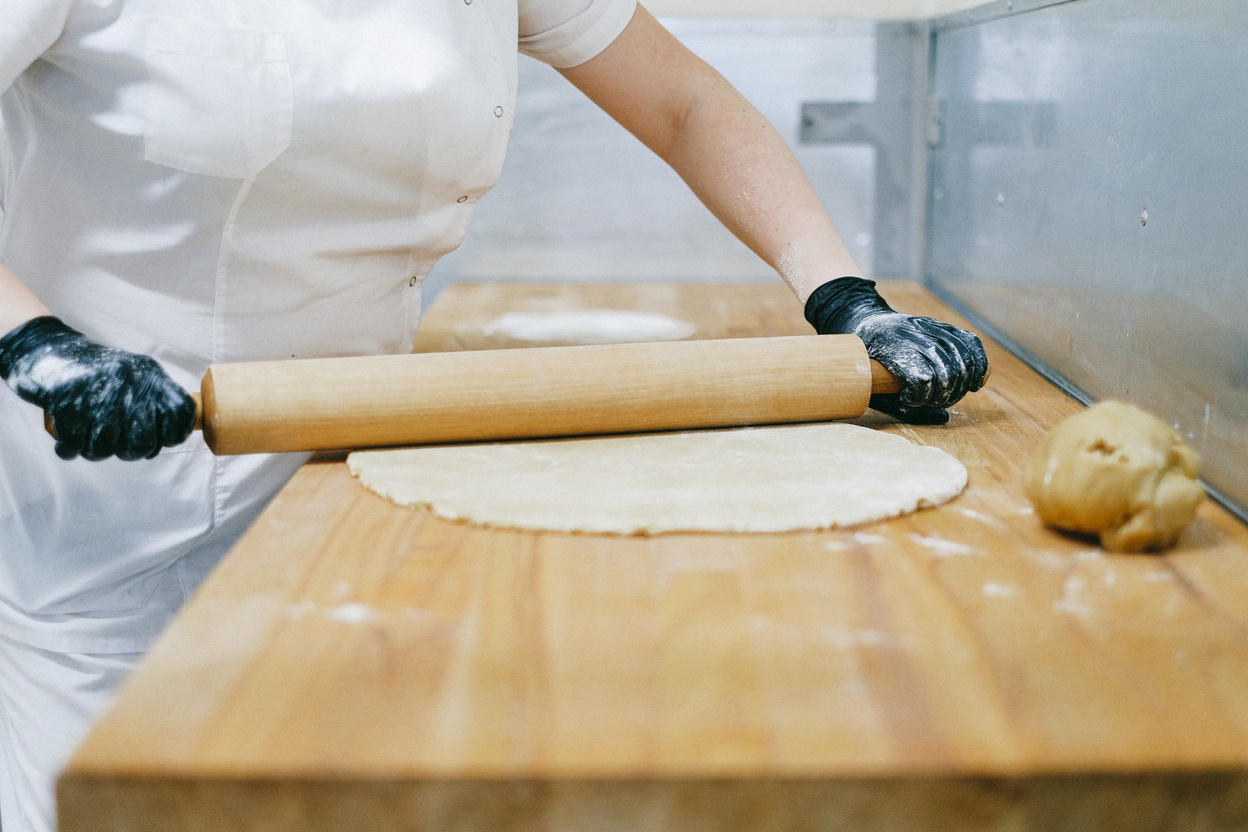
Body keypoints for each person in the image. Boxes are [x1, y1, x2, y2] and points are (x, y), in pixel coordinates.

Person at [0, 1, 988, 830]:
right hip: (99, 513)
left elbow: (683, 104)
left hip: (344, 493)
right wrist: (33, 342)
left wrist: (845, 301)